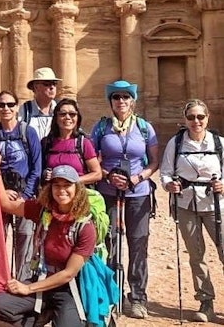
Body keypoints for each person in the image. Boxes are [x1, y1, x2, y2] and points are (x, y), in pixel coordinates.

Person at [0, 164, 96, 327]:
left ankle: (60, 315)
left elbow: (69, 273)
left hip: (66, 289)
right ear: (50, 188)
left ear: (77, 188)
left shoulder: (85, 227)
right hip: (40, 279)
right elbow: (6, 205)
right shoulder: (42, 210)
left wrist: (28, 289)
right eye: (57, 185)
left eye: (67, 185)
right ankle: (41, 316)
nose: (61, 190)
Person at [90, 80, 159, 320]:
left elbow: (153, 162)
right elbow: (92, 158)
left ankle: (138, 297)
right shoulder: (100, 128)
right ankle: (112, 295)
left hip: (138, 193)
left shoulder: (144, 128)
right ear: (111, 101)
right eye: (116, 97)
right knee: (110, 242)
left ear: (132, 101)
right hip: (108, 192)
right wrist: (110, 176)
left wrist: (137, 177)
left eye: (125, 97)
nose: (121, 101)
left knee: (138, 244)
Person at [160, 99, 224, 323]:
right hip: (186, 204)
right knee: (196, 256)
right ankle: (206, 301)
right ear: (185, 119)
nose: (196, 121)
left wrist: (222, 185)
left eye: (200, 117)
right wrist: (170, 185)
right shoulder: (176, 143)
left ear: (207, 118)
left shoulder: (219, 142)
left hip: (216, 205)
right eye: (191, 117)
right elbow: (165, 172)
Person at [0, 90, 41, 282]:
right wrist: (2, 193)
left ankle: (22, 283)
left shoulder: (27, 132)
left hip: (24, 195)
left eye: (10, 104)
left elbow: (36, 167)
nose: (6, 108)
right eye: (2, 105)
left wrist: (25, 195)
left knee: (24, 238)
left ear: (17, 107)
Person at [41, 98, 102, 186]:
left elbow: (97, 174)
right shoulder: (46, 143)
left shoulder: (83, 143)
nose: (68, 117)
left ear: (77, 118)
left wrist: (72, 181)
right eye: (63, 114)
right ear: (56, 118)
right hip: (53, 194)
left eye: (72, 114)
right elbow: (38, 170)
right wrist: (45, 174)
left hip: (78, 194)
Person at [19, 68, 61, 142]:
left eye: (54, 83)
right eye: (47, 84)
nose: (52, 87)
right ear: (36, 87)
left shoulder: (60, 109)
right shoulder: (25, 110)